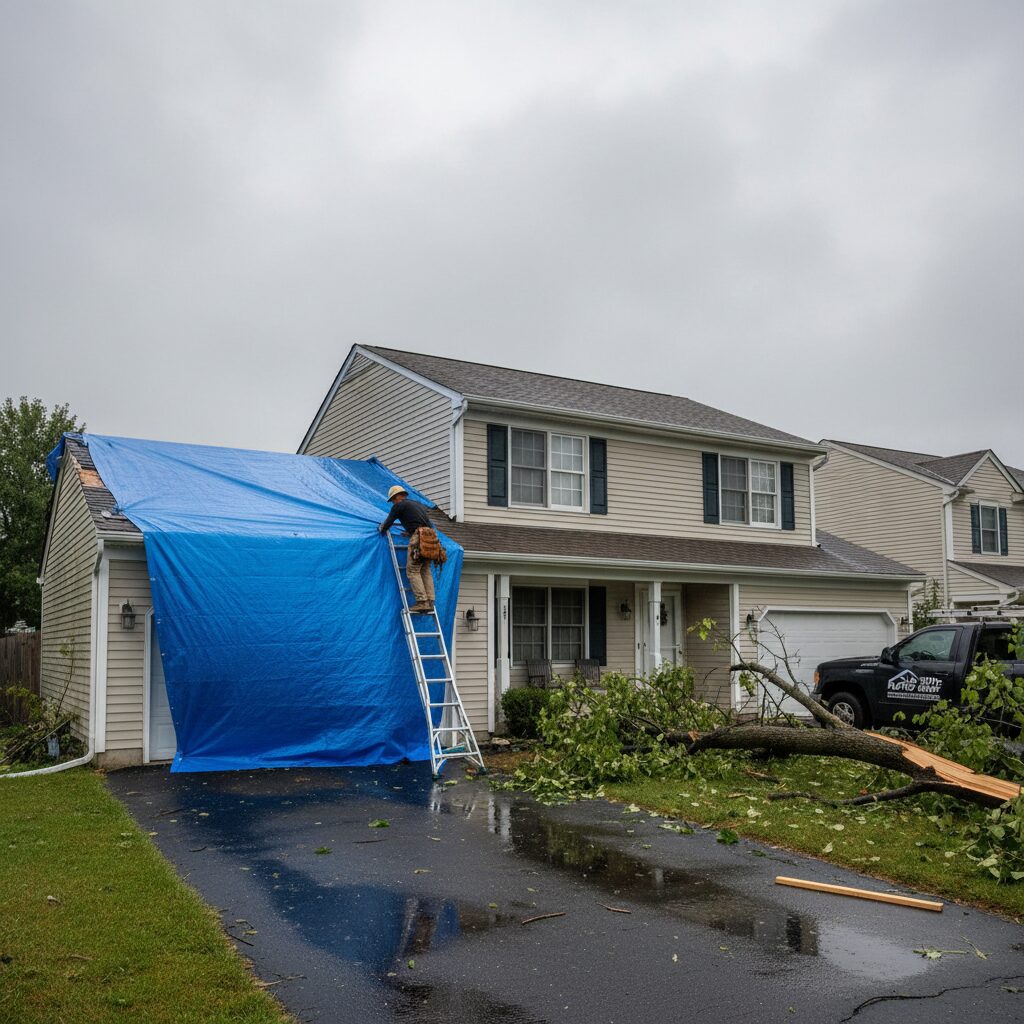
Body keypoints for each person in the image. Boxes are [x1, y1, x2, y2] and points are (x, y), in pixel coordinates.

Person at [378, 485, 438, 614]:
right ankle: (430, 601)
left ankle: (422, 602)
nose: (393, 503)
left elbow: (388, 522)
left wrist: (381, 529)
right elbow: (423, 522)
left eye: (392, 500)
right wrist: (410, 532)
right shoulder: (417, 505)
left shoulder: (399, 506)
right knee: (425, 569)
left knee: (413, 570)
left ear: (396, 497)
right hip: (430, 538)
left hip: (419, 537)